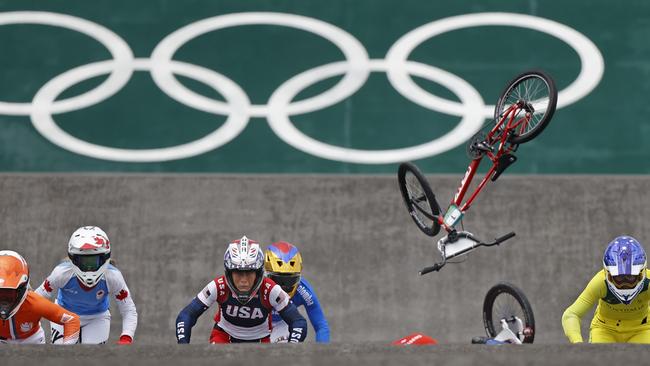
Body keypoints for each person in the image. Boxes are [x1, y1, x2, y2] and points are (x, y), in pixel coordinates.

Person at [175, 235, 307, 343]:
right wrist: (183, 347)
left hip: (261, 342)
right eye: (238, 272)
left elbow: (298, 321)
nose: (244, 280)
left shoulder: (270, 289)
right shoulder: (219, 285)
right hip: (224, 337)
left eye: (249, 272)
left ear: (259, 273)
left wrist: (292, 347)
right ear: (229, 272)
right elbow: (186, 315)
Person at [35, 226, 137, 344]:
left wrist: (126, 337)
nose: (89, 268)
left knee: (93, 359)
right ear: (74, 259)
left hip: (96, 318)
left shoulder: (113, 277)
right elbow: (36, 299)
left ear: (104, 258)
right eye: (84, 261)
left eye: (93, 261)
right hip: (65, 316)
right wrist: (126, 338)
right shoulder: (61, 273)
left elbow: (128, 310)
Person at [562, 235, 650, 343]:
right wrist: (578, 343)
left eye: (630, 277)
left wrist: (578, 343)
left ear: (642, 273)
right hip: (605, 330)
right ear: (607, 274)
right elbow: (571, 314)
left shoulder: (601, 282)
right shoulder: (600, 282)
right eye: (619, 278)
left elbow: (571, 314)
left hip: (642, 329)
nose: (624, 284)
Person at [0, 250, 80, 344]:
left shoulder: (34, 303)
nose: (3, 303)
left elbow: (71, 320)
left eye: (9, 295)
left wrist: (66, 351)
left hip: (32, 342)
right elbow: (71, 319)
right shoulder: (34, 302)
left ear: (22, 289)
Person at [264, 241, 329, 343]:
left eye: (290, 280)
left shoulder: (303, 290)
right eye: (278, 281)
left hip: (283, 325)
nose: (284, 287)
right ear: (265, 275)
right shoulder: (258, 285)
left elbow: (321, 325)